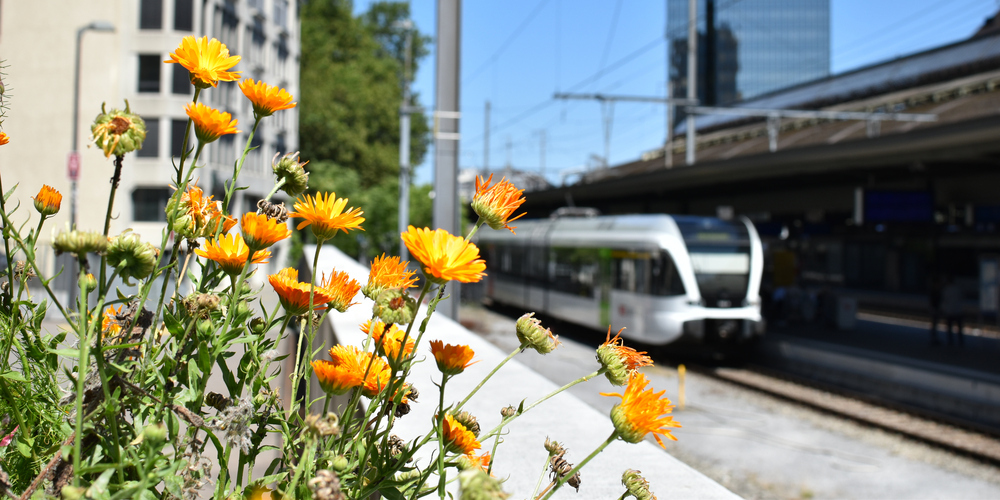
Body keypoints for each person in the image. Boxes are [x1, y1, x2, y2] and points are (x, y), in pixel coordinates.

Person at [940, 276, 965, 346]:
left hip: (949, 311)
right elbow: (961, 298)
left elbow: (944, 300)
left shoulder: (946, 289)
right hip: (958, 311)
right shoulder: (957, 289)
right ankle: (961, 342)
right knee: (959, 328)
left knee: (949, 328)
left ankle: (950, 342)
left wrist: (943, 310)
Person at [928, 275, 943, 346]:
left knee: (935, 325)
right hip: (935, 309)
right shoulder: (935, 291)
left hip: (936, 309)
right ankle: (934, 339)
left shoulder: (935, 291)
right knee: (934, 325)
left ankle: (934, 338)